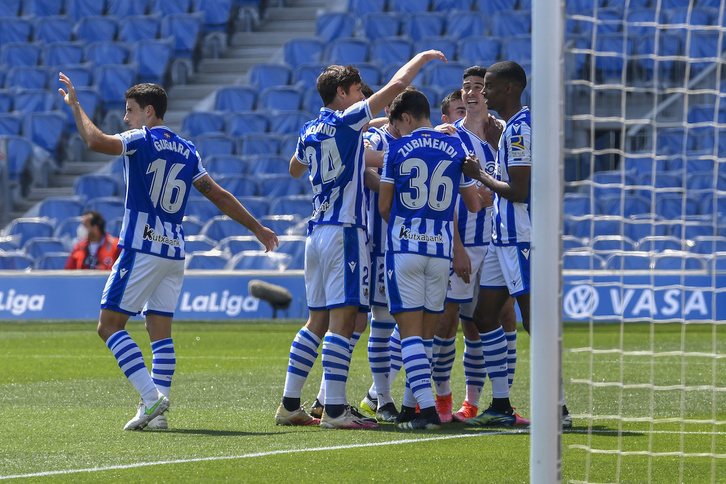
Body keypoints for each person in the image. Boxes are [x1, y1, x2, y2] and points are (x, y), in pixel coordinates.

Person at [58, 73, 278, 431]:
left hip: (142, 246)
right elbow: (218, 195)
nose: (126, 118)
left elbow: (96, 141)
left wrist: (77, 107)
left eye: (130, 111)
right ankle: (156, 417)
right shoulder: (188, 149)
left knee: (109, 326)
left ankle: (151, 397)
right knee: (159, 330)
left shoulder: (140, 139)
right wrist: (257, 228)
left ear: (148, 111)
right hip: (174, 251)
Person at [275, 50, 447, 430]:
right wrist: (422, 58)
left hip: (315, 232)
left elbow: (294, 168)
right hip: (344, 233)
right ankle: (335, 410)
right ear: (341, 92)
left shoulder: (310, 130)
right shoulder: (349, 121)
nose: (360, 96)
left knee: (315, 320)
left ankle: (290, 403)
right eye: (356, 90)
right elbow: (399, 85)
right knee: (344, 320)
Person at [461, 61, 566, 427]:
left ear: (509, 89)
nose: (482, 91)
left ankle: (559, 407)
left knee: (534, 321)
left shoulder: (521, 129)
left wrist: (480, 175)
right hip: (501, 240)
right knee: (483, 316)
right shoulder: (511, 129)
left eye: (488, 85)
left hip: (522, 239)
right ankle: (502, 405)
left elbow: (519, 191)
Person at [379, 88, 485, 430]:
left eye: (397, 124)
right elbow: (473, 204)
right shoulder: (458, 146)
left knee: (409, 333)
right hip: (441, 252)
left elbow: (384, 205)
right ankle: (411, 409)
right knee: (426, 335)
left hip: (406, 248)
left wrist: (406, 228)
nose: (396, 132)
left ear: (405, 118)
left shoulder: (395, 148)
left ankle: (425, 412)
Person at [429, 67, 525, 425]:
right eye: (465, 87)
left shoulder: (505, 134)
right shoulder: (451, 136)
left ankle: (492, 402)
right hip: (463, 243)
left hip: (498, 240)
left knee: (497, 318)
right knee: (446, 323)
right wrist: (456, 247)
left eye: (478, 87)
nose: (470, 93)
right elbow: (447, 200)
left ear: (490, 94)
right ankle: (437, 400)